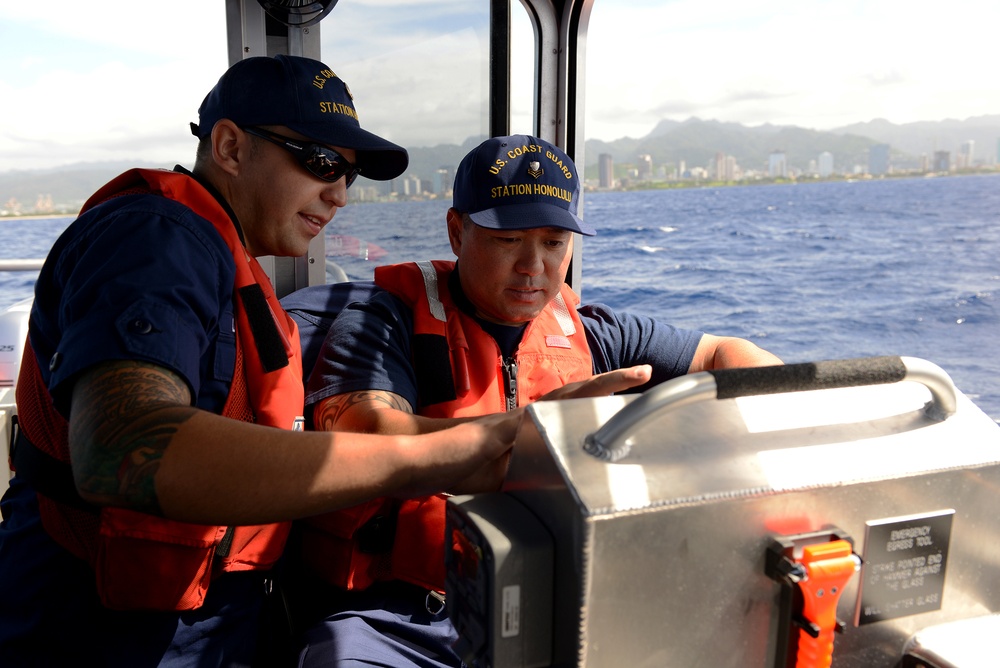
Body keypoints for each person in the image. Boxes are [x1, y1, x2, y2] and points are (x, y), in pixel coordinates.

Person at [0, 55, 522, 668]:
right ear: (229, 146)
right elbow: (121, 447)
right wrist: (447, 455)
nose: (339, 195)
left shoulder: (222, 256)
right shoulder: (155, 239)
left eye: (349, 176)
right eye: (322, 164)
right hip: (98, 633)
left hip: (204, 623)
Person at [282, 134, 783, 667]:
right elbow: (368, 437)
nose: (533, 266)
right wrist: (540, 430)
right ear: (457, 231)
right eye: (508, 239)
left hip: (557, 605)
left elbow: (727, 353)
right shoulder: (383, 324)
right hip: (407, 620)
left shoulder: (595, 334)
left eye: (553, 242)